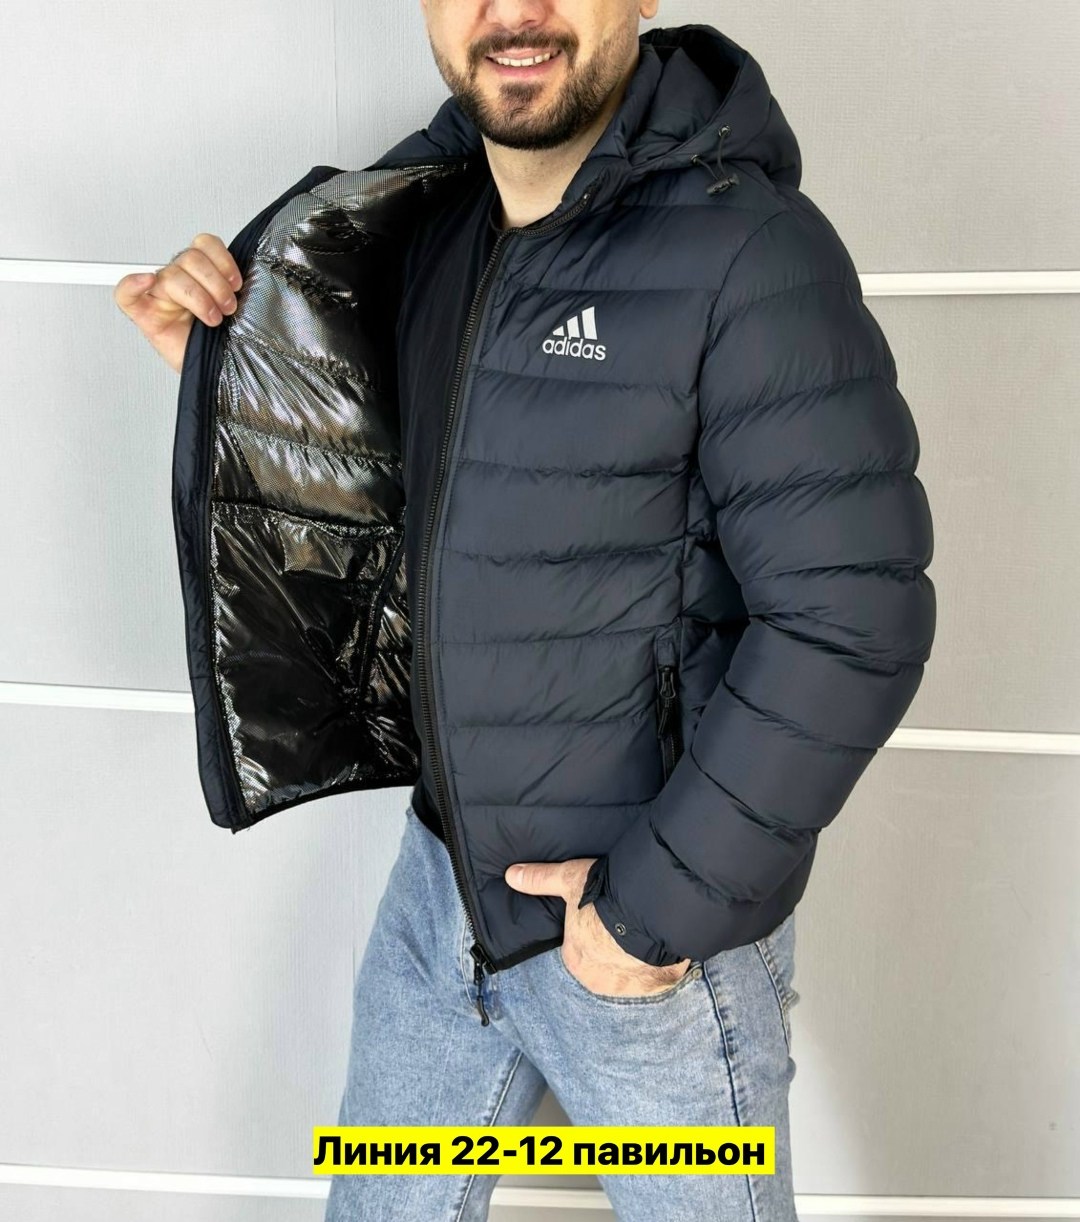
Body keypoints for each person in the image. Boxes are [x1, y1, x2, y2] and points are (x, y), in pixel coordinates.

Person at [115, 3, 936, 1218]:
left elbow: (854, 619)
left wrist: (649, 914)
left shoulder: (753, 254)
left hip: (647, 953)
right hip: (440, 897)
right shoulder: (435, 224)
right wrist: (225, 375)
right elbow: (426, 497)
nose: (513, 11)